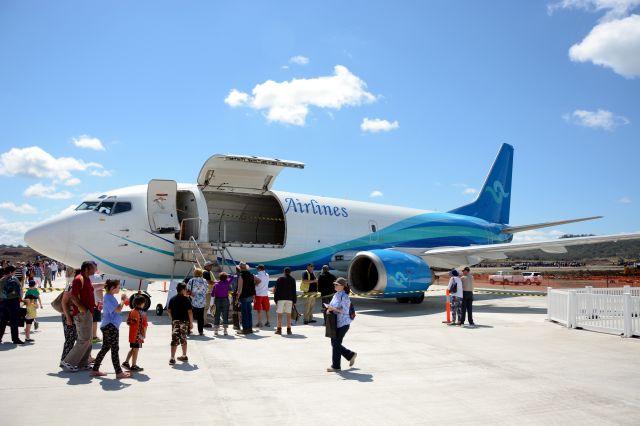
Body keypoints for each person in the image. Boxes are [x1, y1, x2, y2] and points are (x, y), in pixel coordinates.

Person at [91, 280, 132, 378]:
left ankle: (95, 369)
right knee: (114, 349)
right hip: (110, 326)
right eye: (118, 287)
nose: (119, 289)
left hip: (109, 325)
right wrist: (122, 300)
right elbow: (117, 309)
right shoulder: (108, 298)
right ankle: (118, 372)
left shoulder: (110, 297)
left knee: (105, 348)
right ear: (112, 288)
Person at [62, 261, 97, 372]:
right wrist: (83, 309)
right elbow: (73, 296)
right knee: (83, 339)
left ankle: (83, 363)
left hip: (88, 313)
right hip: (83, 314)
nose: (95, 270)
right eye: (93, 268)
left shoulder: (86, 279)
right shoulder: (79, 279)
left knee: (89, 340)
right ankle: (68, 361)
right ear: (87, 269)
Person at [325, 277, 357, 372]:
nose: (335, 285)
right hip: (335, 322)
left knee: (336, 344)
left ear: (342, 286)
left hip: (343, 323)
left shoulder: (345, 297)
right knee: (334, 343)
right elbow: (332, 305)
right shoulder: (336, 295)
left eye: (337, 284)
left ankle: (336, 366)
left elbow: (345, 311)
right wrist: (328, 309)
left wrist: (333, 309)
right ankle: (350, 355)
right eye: (334, 284)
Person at [168, 283, 193, 365]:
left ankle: (172, 357)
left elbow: (169, 311)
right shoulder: (187, 300)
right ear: (182, 290)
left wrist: (172, 319)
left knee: (174, 339)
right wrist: (191, 323)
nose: (186, 291)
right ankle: (184, 355)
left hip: (175, 321)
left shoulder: (172, 299)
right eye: (185, 289)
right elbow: (190, 312)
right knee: (184, 338)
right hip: (184, 322)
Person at [123, 296, 148, 372]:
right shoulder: (142, 313)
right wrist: (144, 334)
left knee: (133, 348)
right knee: (136, 349)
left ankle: (126, 362)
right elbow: (145, 325)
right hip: (138, 335)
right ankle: (134, 365)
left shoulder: (132, 311)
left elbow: (128, 322)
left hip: (132, 334)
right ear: (142, 304)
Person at [60, 268, 79, 366]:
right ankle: (64, 360)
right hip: (69, 316)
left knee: (79, 338)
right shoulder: (70, 286)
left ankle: (79, 359)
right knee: (70, 339)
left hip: (76, 316)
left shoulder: (80, 285)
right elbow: (64, 302)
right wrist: (68, 317)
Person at [0, 266, 24, 344]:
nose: (14, 273)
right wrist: (20, 298)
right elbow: (20, 289)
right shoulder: (15, 279)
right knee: (14, 321)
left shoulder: (1, 280)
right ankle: (15, 339)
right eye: (13, 272)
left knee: (2, 321)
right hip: (13, 302)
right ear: (10, 272)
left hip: (3, 302)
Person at [235, 262, 261, 335]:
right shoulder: (251, 275)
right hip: (250, 295)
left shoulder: (241, 276)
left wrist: (237, 298)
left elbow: (239, 289)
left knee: (244, 313)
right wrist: (253, 285)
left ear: (240, 268)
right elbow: (259, 281)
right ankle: (250, 328)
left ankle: (245, 329)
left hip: (243, 296)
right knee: (249, 313)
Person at [273, 267, 297, 335]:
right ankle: (289, 330)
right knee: (288, 315)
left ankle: (279, 330)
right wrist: (294, 301)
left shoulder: (279, 279)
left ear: (284, 272)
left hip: (280, 299)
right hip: (289, 299)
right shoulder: (292, 279)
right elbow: (294, 291)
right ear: (290, 272)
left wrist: (275, 300)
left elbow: (276, 290)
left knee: (279, 315)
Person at [187, 268, 209, 335]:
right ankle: (201, 331)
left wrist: (192, 294)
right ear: (201, 273)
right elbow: (206, 290)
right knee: (200, 318)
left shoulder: (191, 280)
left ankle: (188, 330)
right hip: (202, 302)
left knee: (190, 316)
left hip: (193, 301)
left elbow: (188, 290)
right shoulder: (205, 281)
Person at [24, 277, 43, 342]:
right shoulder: (35, 291)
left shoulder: (28, 291)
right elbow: (38, 298)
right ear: (34, 284)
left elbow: (25, 299)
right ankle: (34, 322)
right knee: (32, 314)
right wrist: (40, 304)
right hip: (32, 305)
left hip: (29, 305)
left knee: (30, 314)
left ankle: (33, 322)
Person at [91, 273, 106, 344]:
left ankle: (87, 337)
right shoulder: (97, 277)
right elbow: (99, 291)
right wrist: (101, 302)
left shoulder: (83, 275)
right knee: (94, 321)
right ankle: (93, 337)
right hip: (95, 303)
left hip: (84, 303)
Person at [202, 261, 215, 326]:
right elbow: (209, 282)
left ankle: (203, 321)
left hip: (205, 292)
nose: (211, 267)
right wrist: (217, 283)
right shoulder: (206, 272)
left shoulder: (205, 272)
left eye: (211, 265)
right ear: (206, 266)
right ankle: (204, 322)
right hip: (206, 292)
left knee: (205, 308)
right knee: (205, 308)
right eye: (209, 266)